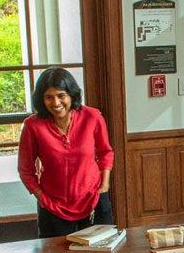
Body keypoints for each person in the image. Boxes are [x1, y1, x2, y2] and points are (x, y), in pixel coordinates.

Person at [19, 67, 115, 238]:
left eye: (61, 96)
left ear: (72, 95)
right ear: (41, 99)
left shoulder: (92, 117)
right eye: (49, 97)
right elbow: (25, 169)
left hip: (94, 199)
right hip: (52, 205)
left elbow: (106, 152)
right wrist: (41, 197)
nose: (56, 103)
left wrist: (104, 186)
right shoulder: (32, 126)